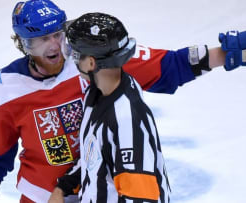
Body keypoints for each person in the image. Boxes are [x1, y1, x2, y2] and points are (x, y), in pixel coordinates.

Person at [0, 0, 246, 202]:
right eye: (41, 39)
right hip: (48, 196)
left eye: (57, 33)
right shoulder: (4, 89)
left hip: (106, 190)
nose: (54, 45)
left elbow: (167, 65)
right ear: (22, 43)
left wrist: (228, 53)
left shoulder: (93, 54)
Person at [52, 12, 171, 202]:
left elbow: (140, 198)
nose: (72, 61)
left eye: (75, 54)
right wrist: (63, 187)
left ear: (91, 63)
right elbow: (95, 155)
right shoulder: (98, 92)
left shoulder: (126, 119)